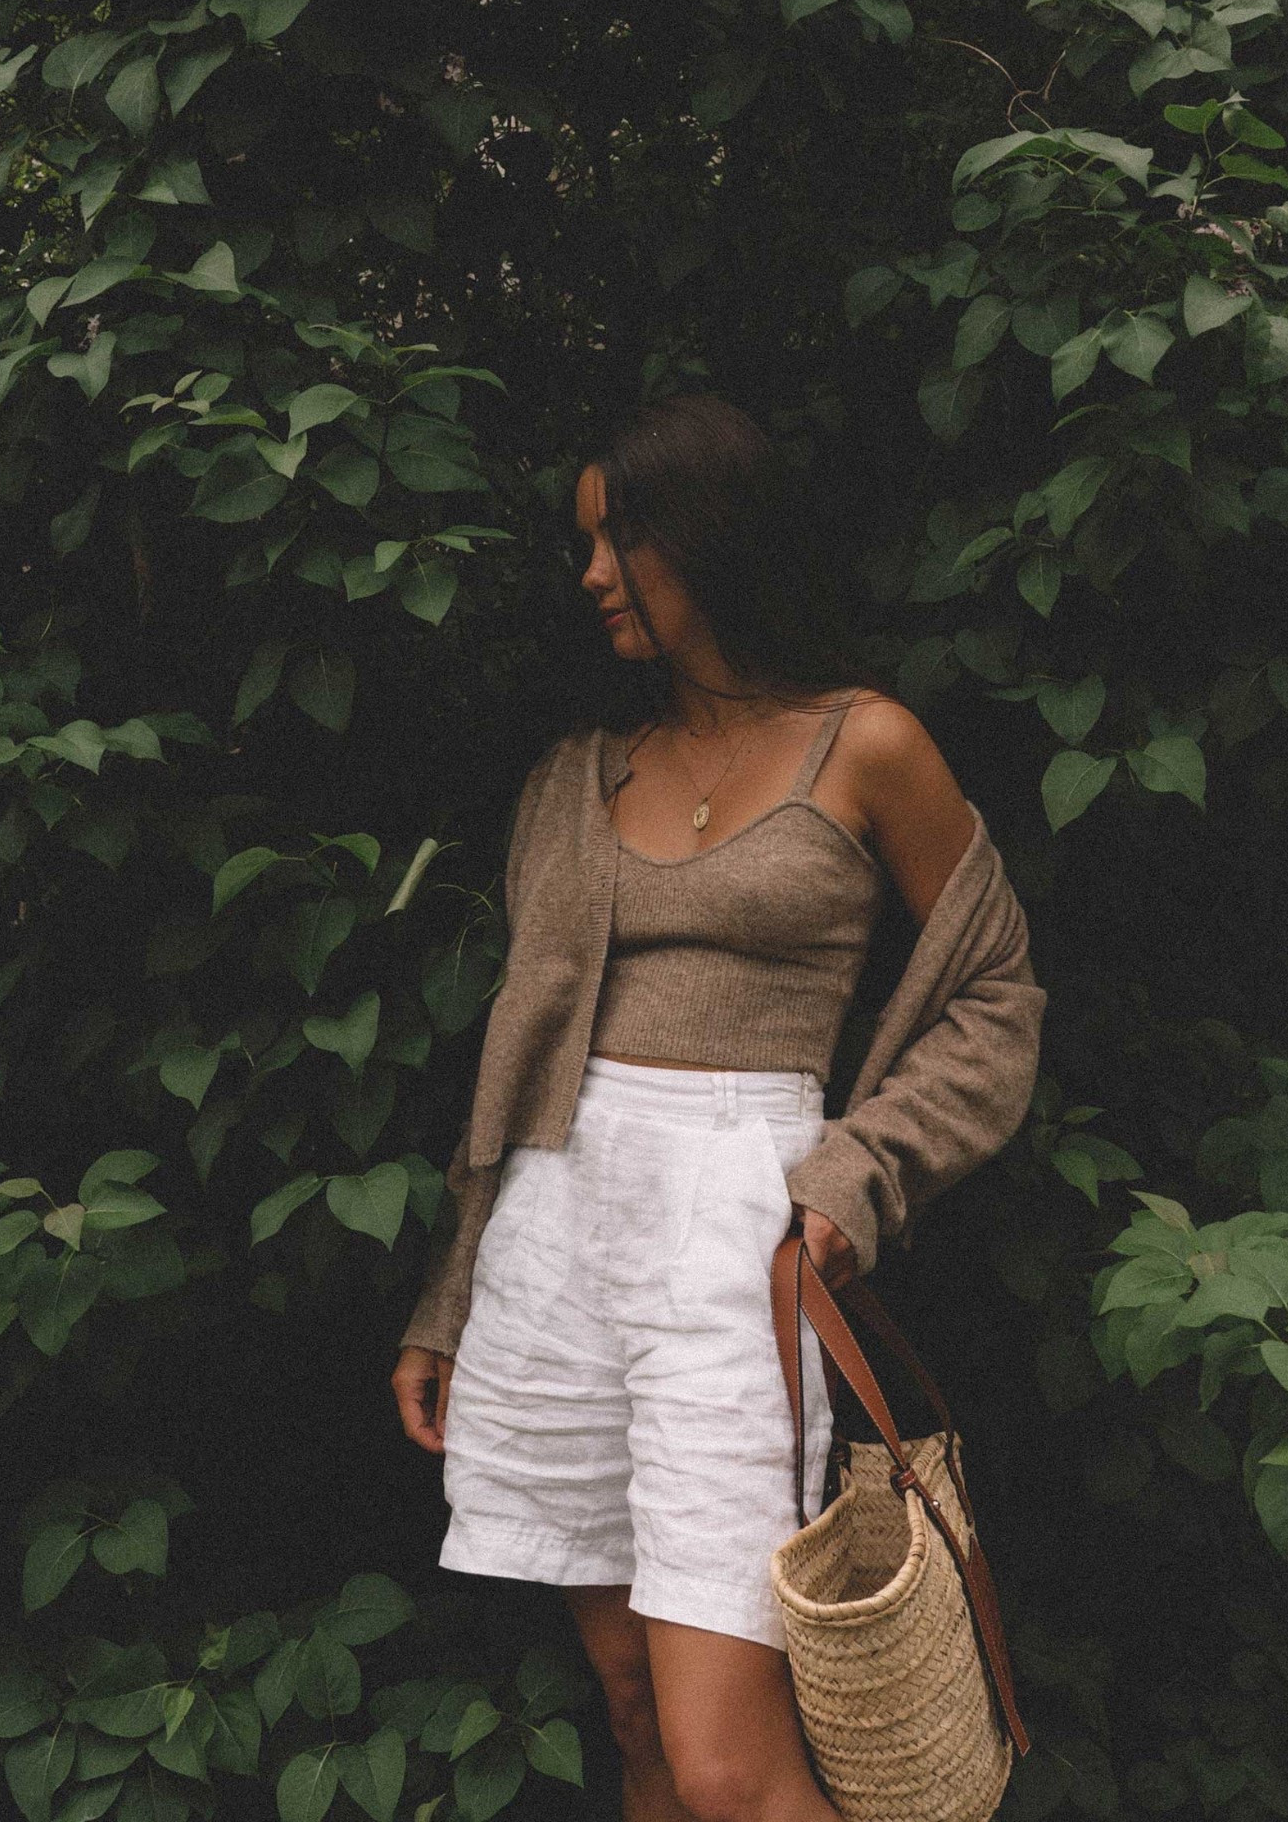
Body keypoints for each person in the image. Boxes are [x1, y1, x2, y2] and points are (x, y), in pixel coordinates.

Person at [390, 393, 1046, 1822]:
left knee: (725, 1765)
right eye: (584, 546)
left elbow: (993, 995)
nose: (592, 576)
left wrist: (853, 1178)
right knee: (630, 1718)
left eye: (617, 539)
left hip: (734, 1237)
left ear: (710, 537)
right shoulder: (579, 776)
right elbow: (517, 1057)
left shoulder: (863, 745)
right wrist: (450, 1295)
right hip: (555, 1234)